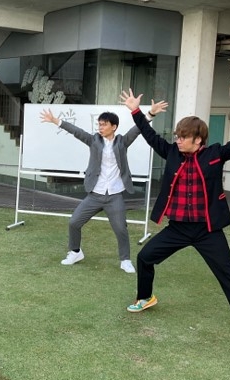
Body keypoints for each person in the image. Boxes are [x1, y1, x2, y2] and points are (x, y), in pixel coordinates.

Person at [120, 89, 230, 338]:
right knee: (145, 257)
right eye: (177, 136)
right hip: (178, 228)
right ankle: (145, 297)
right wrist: (136, 111)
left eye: (183, 137)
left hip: (207, 230)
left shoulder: (215, 155)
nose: (178, 140)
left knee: (228, 273)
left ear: (198, 139)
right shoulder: (171, 152)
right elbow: (149, 135)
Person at [39, 103, 161, 273]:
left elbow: (137, 129)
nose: (100, 127)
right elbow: (76, 131)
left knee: (121, 229)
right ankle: (75, 252)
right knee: (74, 222)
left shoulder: (122, 142)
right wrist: (55, 120)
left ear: (114, 127)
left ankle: (125, 260)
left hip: (114, 195)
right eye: (99, 124)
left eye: (104, 124)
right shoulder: (94, 140)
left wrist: (150, 114)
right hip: (95, 194)